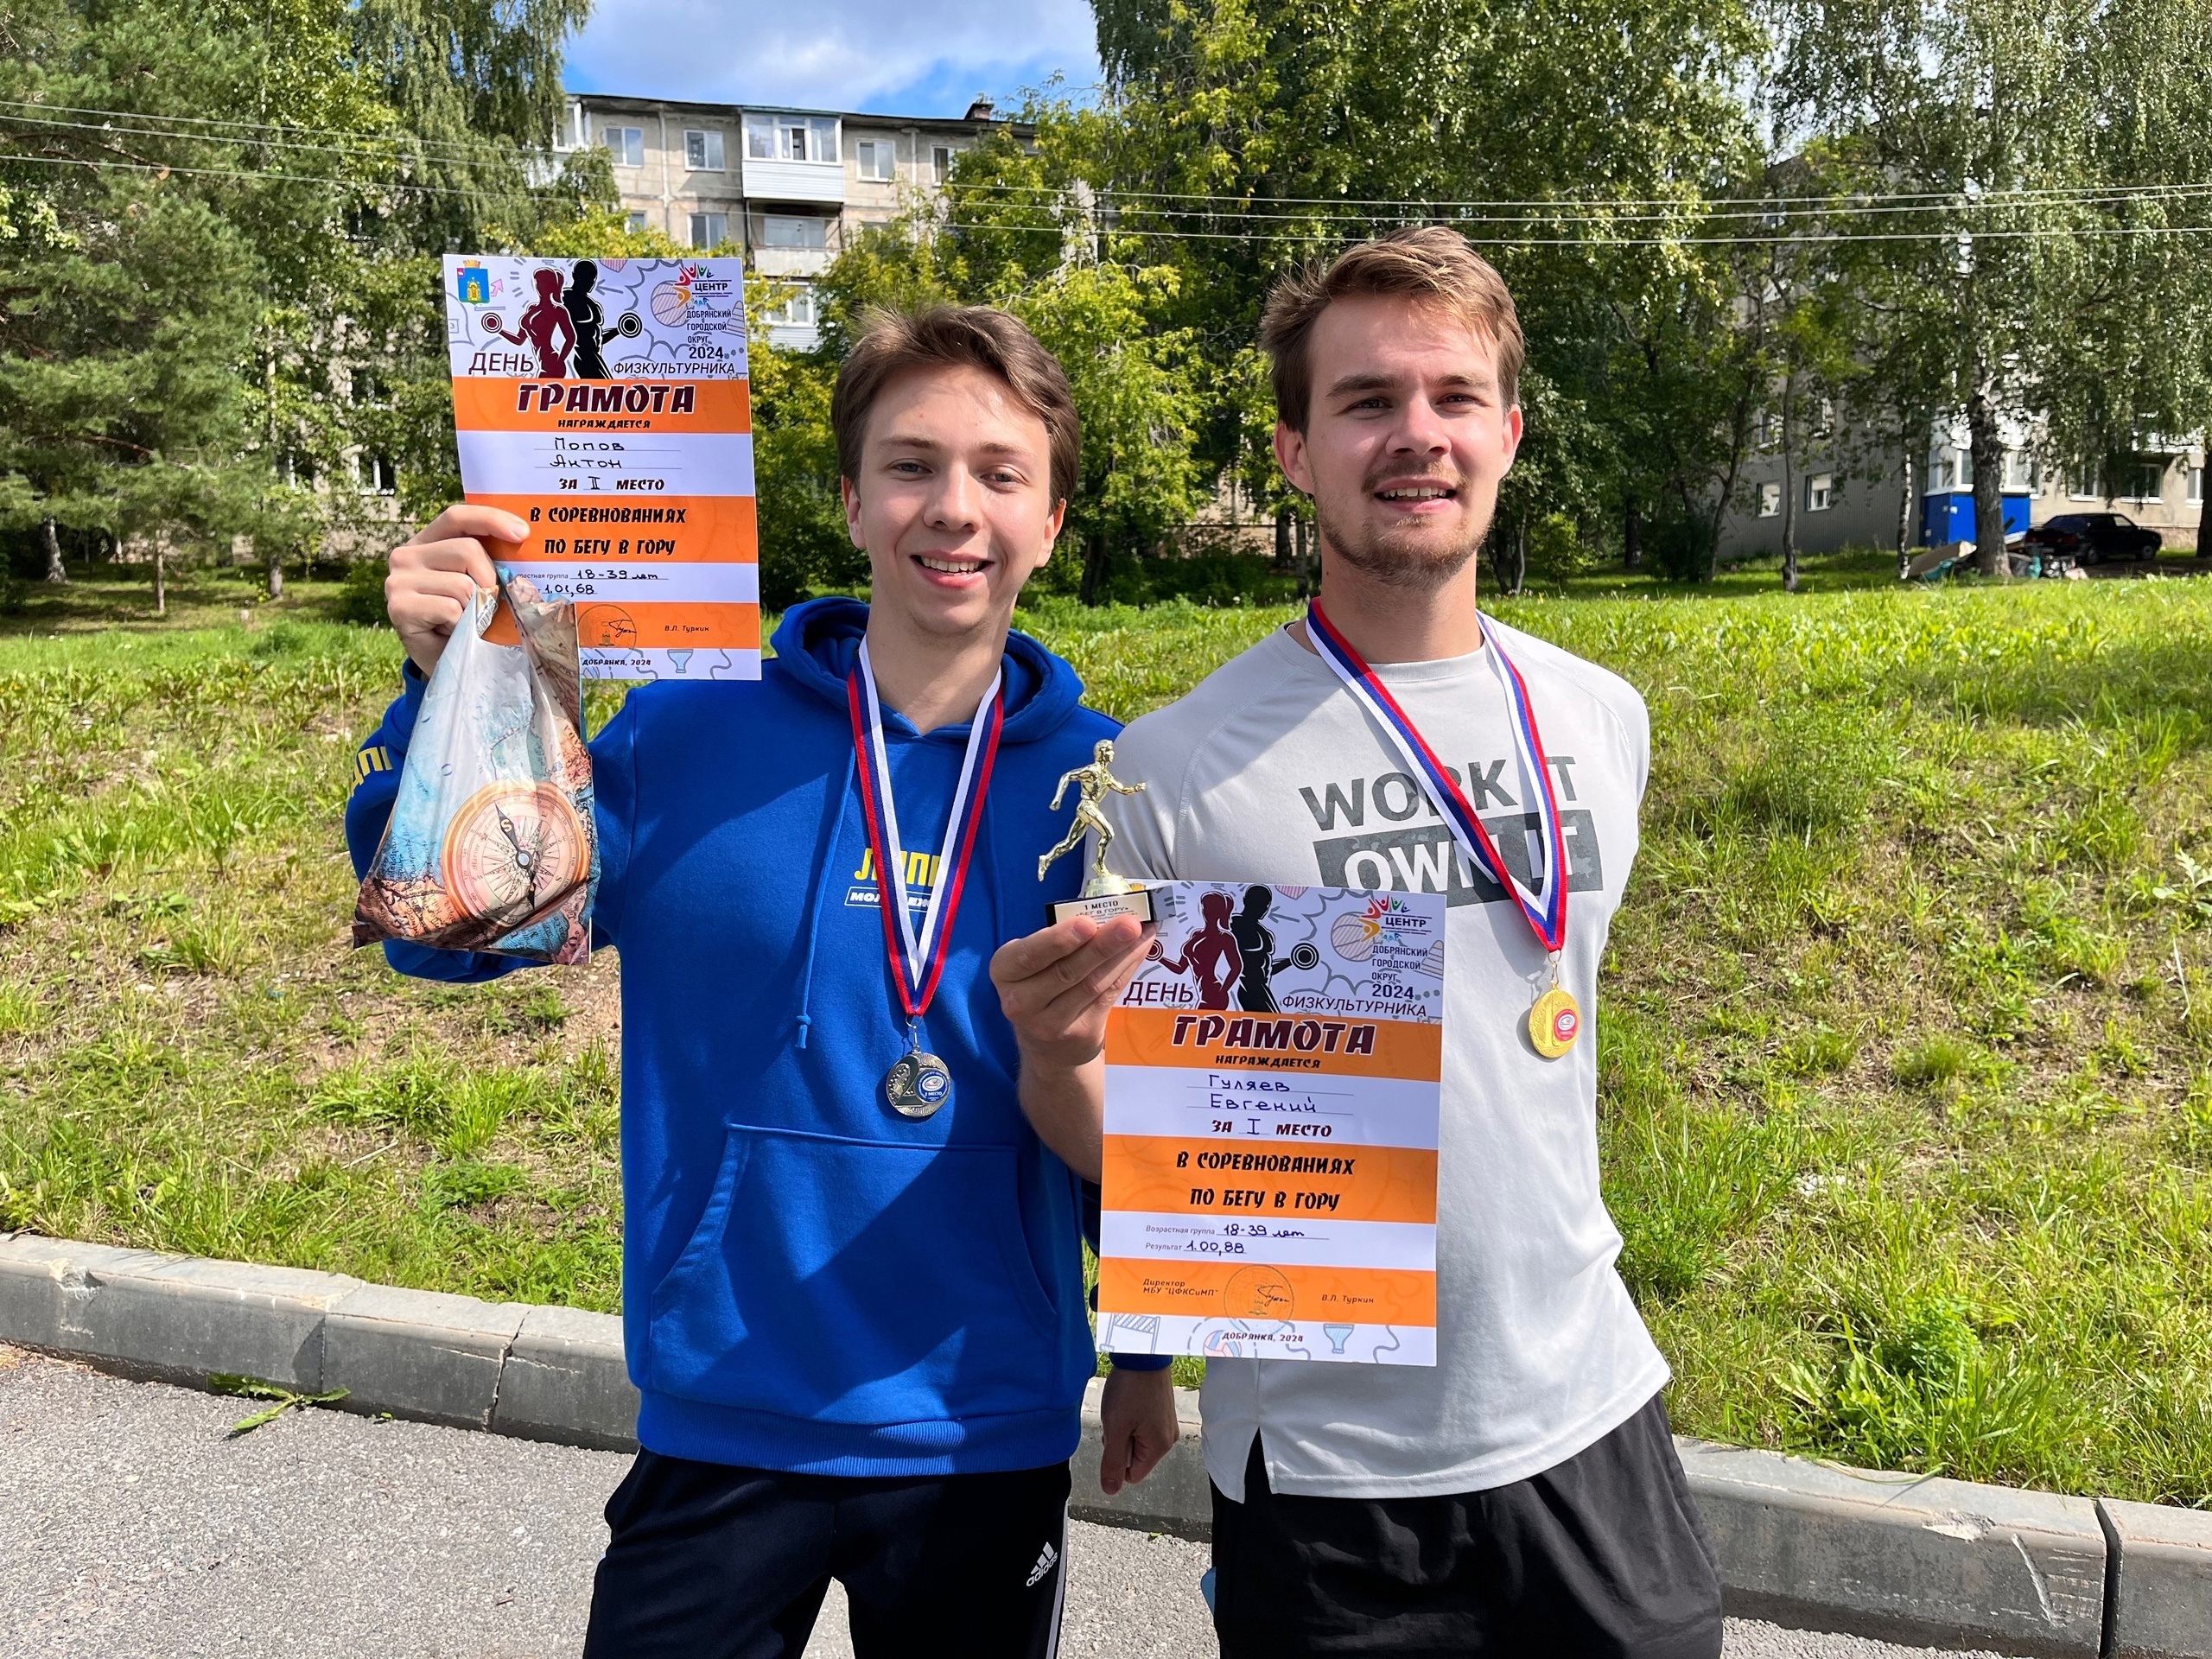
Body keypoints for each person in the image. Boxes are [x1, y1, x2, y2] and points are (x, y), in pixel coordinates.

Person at [348, 304, 1166, 1659]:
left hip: (980, 1418)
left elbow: (1129, 1097)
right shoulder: (685, 730)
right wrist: (451, 689)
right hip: (725, 1403)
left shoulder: (1112, 787)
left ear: (1051, 520)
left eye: (1000, 474)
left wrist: (1143, 1352)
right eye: (910, 466)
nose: (953, 508)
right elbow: (454, 929)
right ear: (849, 500)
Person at [994, 229, 1723, 1656]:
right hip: (1329, 1472)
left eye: (1455, 396)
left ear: (1509, 433)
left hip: (1588, 1412)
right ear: (1294, 451)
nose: (1416, 434)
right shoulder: (1172, 768)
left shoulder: (1600, 720)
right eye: (1366, 401)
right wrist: (1059, 1058)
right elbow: (1129, 1136)